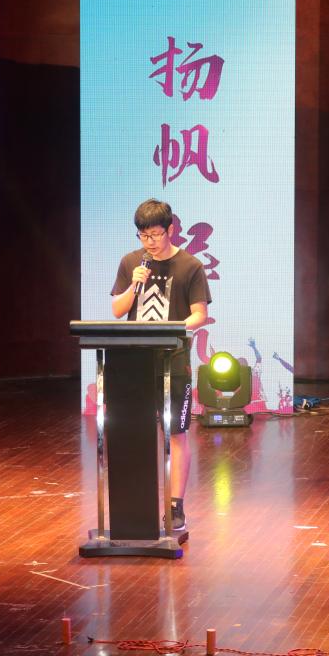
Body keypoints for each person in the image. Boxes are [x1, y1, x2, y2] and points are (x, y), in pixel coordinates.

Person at [111, 198, 210, 531]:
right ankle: (135, 501)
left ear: (170, 230)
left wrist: (172, 329)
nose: (149, 242)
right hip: (135, 362)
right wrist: (134, 284)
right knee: (134, 431)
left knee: (176, 434)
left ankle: (175, 505)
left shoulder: (190, 266)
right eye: (143, 236)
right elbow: (117, 310)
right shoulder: (131, 263)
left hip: (174, 361)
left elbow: (200, 314)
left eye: (155, 234)